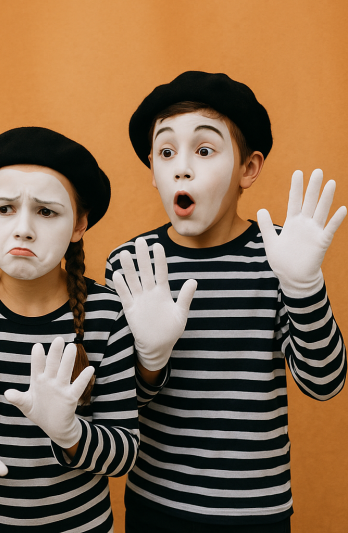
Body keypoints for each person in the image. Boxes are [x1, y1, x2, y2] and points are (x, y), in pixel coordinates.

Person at [108, 71, 347, 532]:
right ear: (153, 170)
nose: (181, 168)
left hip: (255, 511)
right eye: (166, 152)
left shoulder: (280, 256)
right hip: (155, 505)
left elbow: (324, 383)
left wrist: (303, 286)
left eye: (204, 150)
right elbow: (119, 407)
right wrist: (150, 360)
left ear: (248, 169)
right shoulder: (131, 263)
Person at [0, 127, 141, 532]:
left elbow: (124, 453)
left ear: (79, 224)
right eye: (4, 209)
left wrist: (70, 433)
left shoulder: (108, 315)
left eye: (46, 211)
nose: (23, 229)